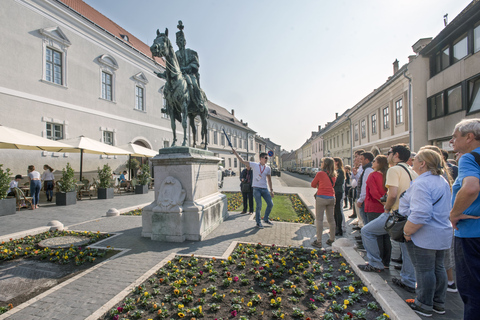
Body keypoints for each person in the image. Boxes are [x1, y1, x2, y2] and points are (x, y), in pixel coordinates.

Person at [358, 144, 417, 294]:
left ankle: (375, 263)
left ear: (396, 155)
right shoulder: (412, 171)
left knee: (367, 231)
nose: (388, 155)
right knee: (406, 246)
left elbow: (392, 193)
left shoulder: (394, 169)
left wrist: (386, 208)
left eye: (389, 152)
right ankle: (409, 281)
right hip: (409, 214)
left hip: (395, 212)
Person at [400, 149, 453, 317]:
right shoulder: (442, 181)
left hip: (425, 234)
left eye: (415, 159)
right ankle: (438, 303)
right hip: (441, 232)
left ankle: (423, 304)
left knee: (424, 270)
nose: (412, 161)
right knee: (438, 268)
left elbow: (421, 213)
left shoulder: (422, 183)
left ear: (422, 164)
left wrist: (407, 231)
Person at [449, 119, 480, 320]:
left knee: (472, 293)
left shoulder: (469, 158)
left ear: (469, 137)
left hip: (471, 234)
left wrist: (454, 213)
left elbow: (470, 187)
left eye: (455, 136)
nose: (452, 141)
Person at [233, 150, 274, 228]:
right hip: (256, 189)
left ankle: (265, 219)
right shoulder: (255, 165)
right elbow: (242, 161)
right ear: (261, 158)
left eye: (267, 158)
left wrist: (271, 190)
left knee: (270, 204)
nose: (266, 159)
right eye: (265, 158)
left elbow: (269, 180)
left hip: (264, 189)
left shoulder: (268, 168)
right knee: (259, 205)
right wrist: (236, 154)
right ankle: (258, 222)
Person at [364, 155, 390, 268]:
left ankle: (377, 261)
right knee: (386, 236)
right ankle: (386, 262)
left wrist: (384, 204)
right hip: (385, 208)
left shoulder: (372, 175)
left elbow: (374, 193)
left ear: (379, 163)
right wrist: (387, 205)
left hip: (374, 207)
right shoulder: (387, 175)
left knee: (374, 234)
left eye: (374, 161)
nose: (372, 163)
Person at [310, 157, 337, 248]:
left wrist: (318, 185)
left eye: (322, 162)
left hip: (321, 197)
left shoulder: (320, 174)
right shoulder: (333, 175)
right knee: (331, 219)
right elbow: (332, 185)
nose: (321, 163)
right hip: (331, 197)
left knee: (319, 219)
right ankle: (332, 239)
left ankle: (319, 241)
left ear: (324, 164)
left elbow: (313, 184)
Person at [356, 152, 375, 227]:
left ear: (367, 160)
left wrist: (360, 199)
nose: (360, 161)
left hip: (365, 200)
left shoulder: (368, 170)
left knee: (366, 222)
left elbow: (365, 186)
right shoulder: (367, 169)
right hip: (365, 199)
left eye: (361, 159)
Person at [333, 157, 345, 236]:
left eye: (333, 162)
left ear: (337, 162)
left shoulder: (339, 171)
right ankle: (336, 227)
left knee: (337, 210)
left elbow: (337, 182)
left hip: (338, 192)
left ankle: (339, 228)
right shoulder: (337, 171)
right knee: (335, 211)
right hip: (335, 192)